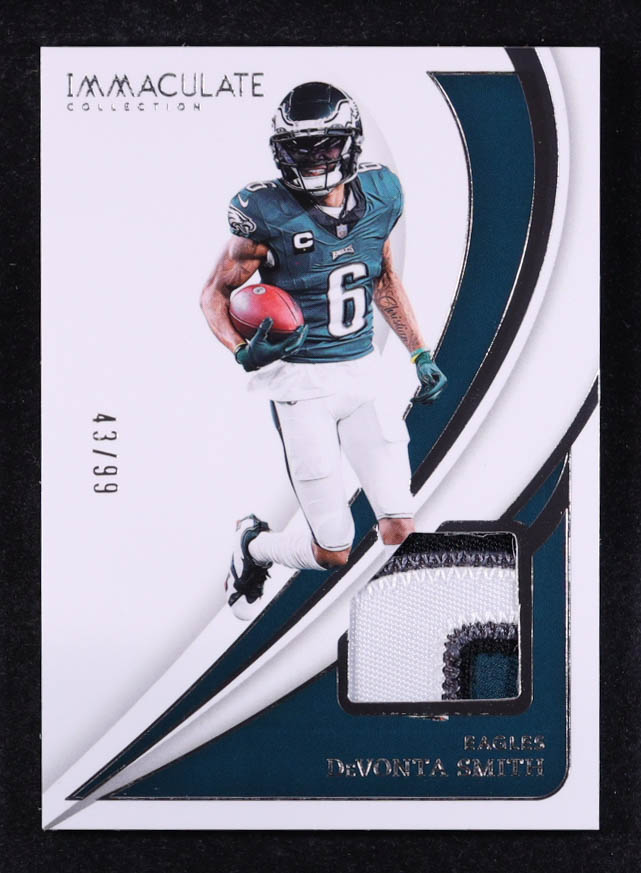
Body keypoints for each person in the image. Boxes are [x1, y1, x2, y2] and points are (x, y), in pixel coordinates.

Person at [200, 81, 446, 620]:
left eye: (326, 145)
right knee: (332, 550)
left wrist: (420, 353)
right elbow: (215, 294)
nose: (314, 159)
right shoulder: (265, 211)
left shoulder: (382, 193)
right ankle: (255, 546)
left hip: (363, 376)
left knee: (401, 527)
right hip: (301, 386)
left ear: (351, 143)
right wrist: (241, 351)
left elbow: (384, 279)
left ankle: (402, 627)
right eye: (300, 148)